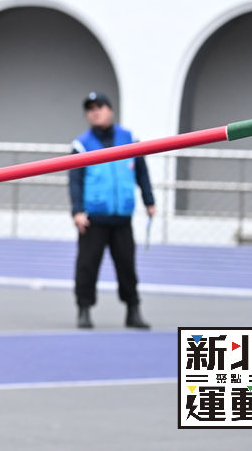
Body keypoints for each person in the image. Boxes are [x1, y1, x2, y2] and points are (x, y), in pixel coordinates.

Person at [67, 91, 156, 330]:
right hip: (93, 218)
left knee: (127, 266)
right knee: (87, 266)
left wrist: (149, 201)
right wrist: (76, 211)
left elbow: (142, 173)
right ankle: (84, 310)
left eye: (99, 107)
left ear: (110, 110)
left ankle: (133, 310)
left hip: (121, 216)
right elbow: (75, 181)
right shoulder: (81, 145)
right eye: (90, 109)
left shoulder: (129, 138)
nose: (95, 112)